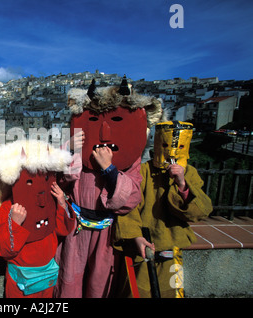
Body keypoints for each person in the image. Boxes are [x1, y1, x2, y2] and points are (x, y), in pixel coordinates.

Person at [54, 77, 165, 298]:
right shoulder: (77, 149)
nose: (105, 133)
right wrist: (70, 150)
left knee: (100, 282)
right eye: (95, 120)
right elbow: (61, 180)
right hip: (75, 228)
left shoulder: (130, 158)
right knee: (69, 279)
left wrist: (110, 169)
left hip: (107, 231)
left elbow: (130, 198)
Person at [114, 121, 213, 298]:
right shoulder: (142, 171)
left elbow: (200, 211)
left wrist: (182, 184)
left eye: (180, 146)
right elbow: (128, 207)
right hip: (141, 250)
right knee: (136, 292)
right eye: (166, 145)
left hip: (171, 252)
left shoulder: (190, 173)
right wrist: (136, 237)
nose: (172, 152)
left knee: (171, 293)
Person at [0, 139, 75, 298]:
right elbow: (4, 250)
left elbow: (63, 230)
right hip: (20, 284)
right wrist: (15, 223)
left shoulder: (51, 201)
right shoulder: (9, 207)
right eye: (28, 182)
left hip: (46, 278)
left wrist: (62, 203)